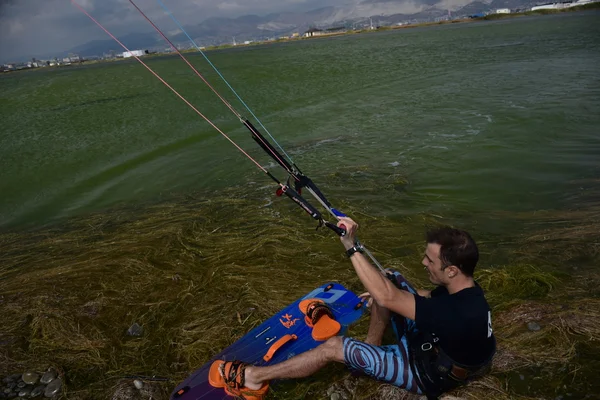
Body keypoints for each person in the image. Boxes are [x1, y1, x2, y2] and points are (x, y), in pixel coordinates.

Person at [210, 217, 496, 400]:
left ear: (452, 270)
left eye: (430, 261)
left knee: (333, 346)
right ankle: (371, 348)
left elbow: (388, 298)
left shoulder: (457, 314)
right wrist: (387, 290)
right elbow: (420, 297)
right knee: (390, 278)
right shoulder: (466, 291)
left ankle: (253, 379)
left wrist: (351, 246)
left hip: (427, 374)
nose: (423, 263)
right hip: (435, 347)